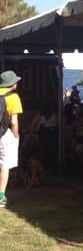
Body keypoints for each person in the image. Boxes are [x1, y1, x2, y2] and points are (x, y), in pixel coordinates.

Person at [0, 70, 23, 208]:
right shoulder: (13, 97)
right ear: (12, 84)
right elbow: (14, 121)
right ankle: (1, 195)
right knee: (4, 164)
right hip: (3, 134)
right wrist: (16, 135)